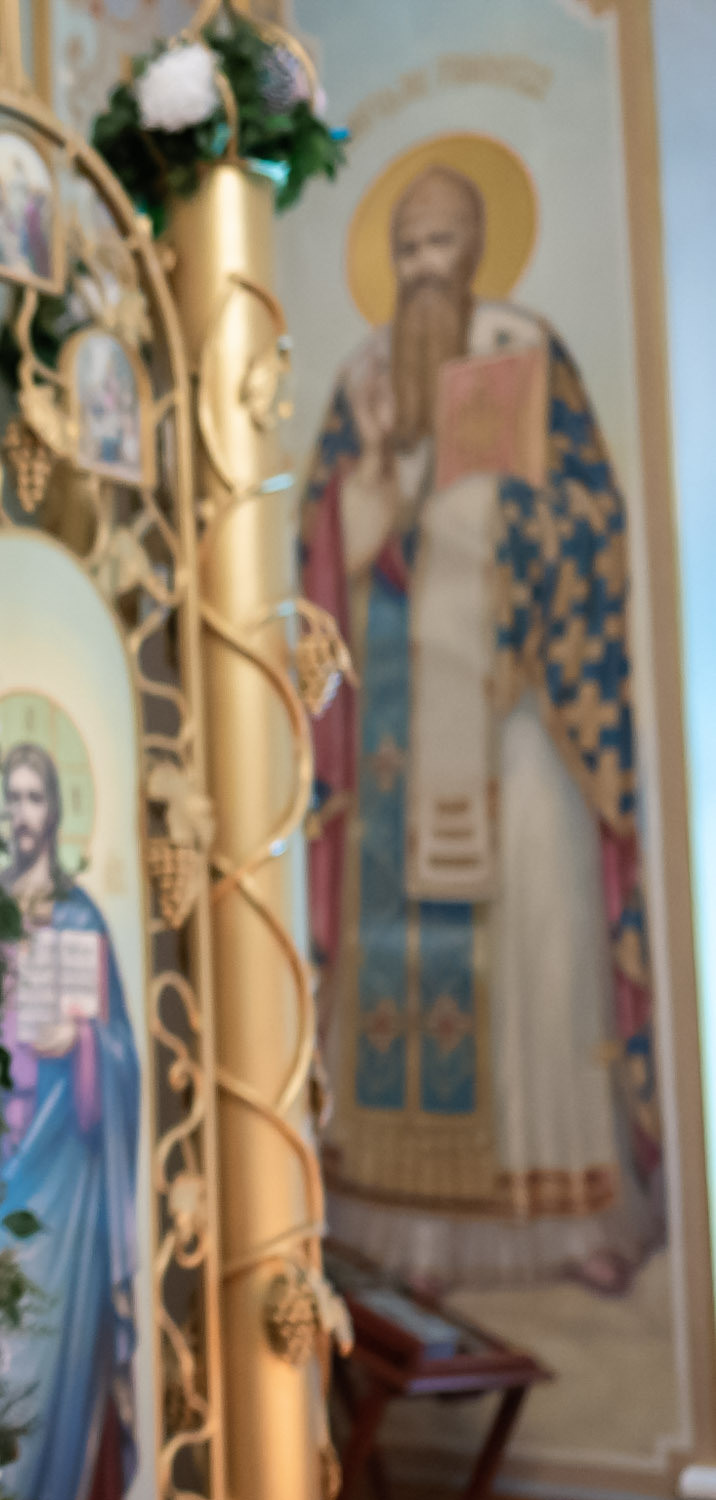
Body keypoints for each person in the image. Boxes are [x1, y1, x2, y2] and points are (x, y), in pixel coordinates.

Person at [301, 161, 657, 1294]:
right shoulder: (363, 379)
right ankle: (397, 1222)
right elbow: (321, 564)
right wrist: (367, 495)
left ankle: (563, 1215)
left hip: (512, 709)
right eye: (405, 249)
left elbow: (592, 517)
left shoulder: (524, 352)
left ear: (479, 250)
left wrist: (497, 517)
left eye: (442, 245)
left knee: (538, 949)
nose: (422, 270)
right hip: (396, 734)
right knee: (390, 957)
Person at [0, 742, 139, 1500]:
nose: (25, 809)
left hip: (74, 1193)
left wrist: (79, 1043)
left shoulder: (83, 916)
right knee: (0, 1371)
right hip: (1, 1178)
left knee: (56, 1375)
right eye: (12, 794)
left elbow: (121, 1063)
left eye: (38, 794)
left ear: (59, 806)